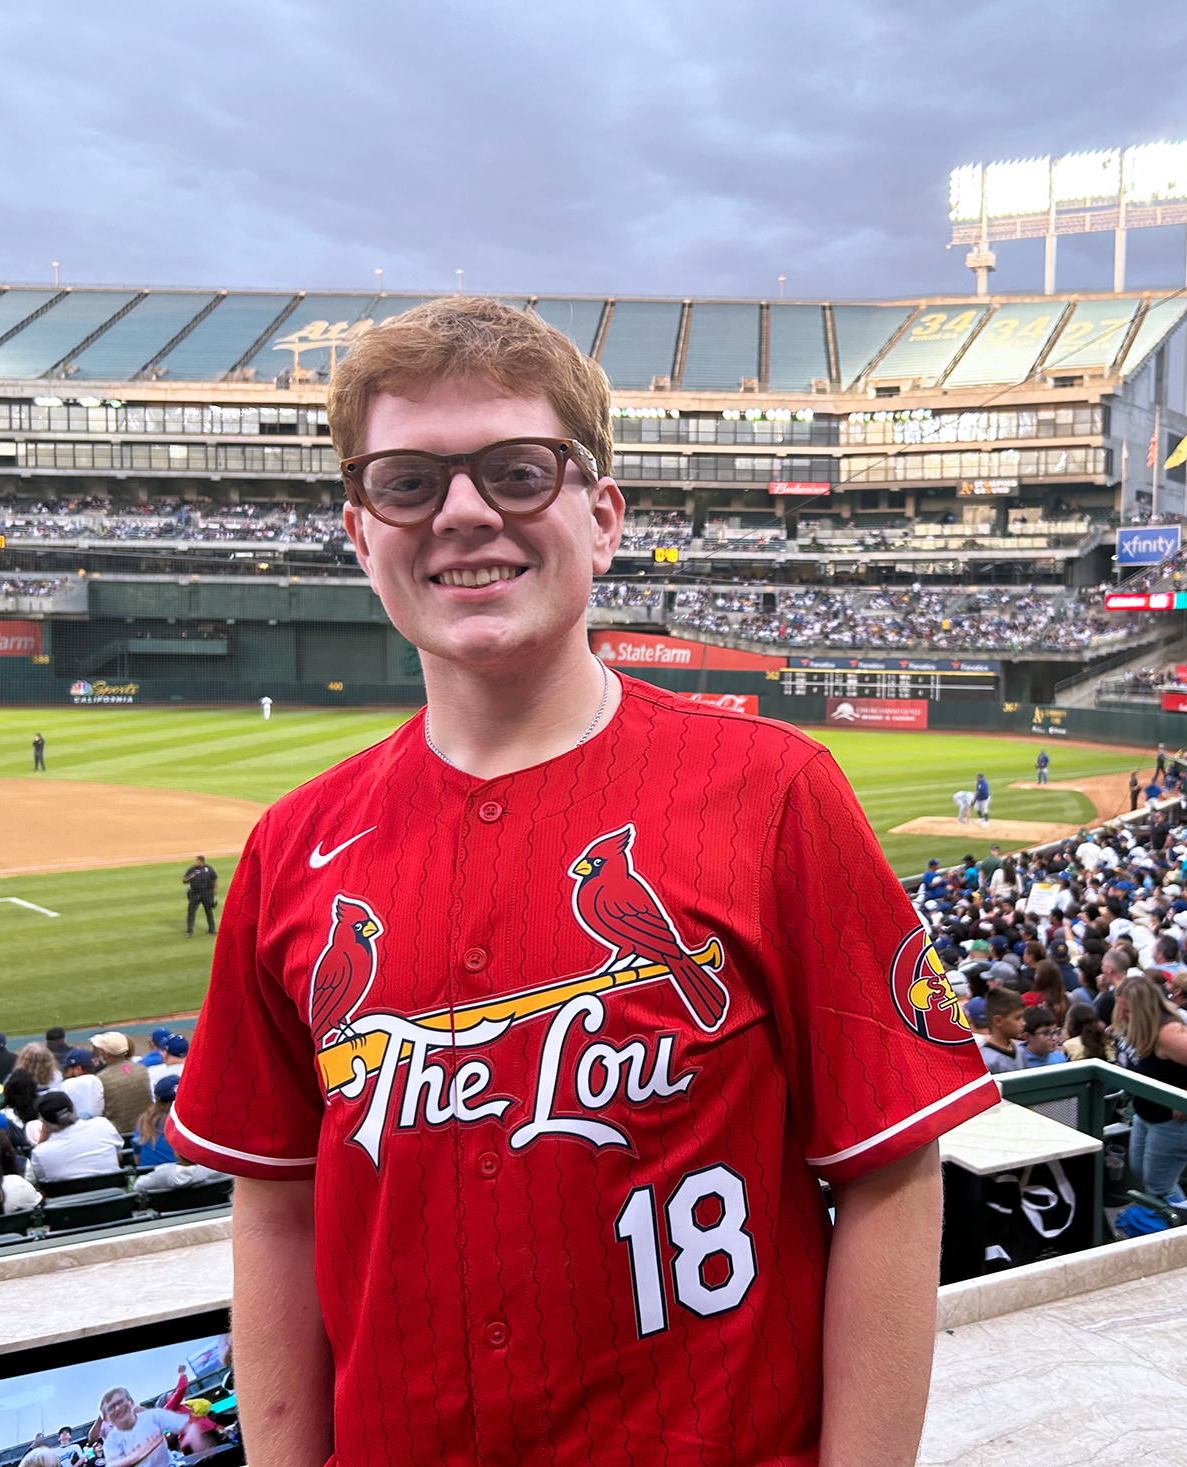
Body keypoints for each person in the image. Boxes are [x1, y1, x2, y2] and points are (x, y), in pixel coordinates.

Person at [170, 297, 998, 1467]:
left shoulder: (774, 794)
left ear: (602, 519)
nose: (463, 514)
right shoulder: (290, 845)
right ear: (362, 537)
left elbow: (890, 1173)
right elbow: (279, 1206)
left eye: (517, 471)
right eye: (408, 483)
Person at [1113, 974, 1187, 1226]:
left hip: (1176, 1121)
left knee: (1160, 1185)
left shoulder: (1168, 1034)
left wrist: (1185, 1102)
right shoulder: (1137, 1028)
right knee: (1139, 1170)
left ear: (1143, 1009)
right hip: (1147, 1113)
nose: (1123, 1015)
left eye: (1127, 1010)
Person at [27, 1092, 123, 1184]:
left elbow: (41, 1179)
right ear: (74, 1108)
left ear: (43, 1122)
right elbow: (118, 1157)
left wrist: (43, 1138)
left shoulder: (40, 1153)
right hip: (114, 1196)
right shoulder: (103, 1125)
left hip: (68, 1200)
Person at [95, 1387, 188, 1467]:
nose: (118, 1408)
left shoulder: (152, 1416)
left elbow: (185, 1424)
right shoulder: (111, 1441)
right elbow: (112, 1464)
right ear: (106, 1419)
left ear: (131, 1403)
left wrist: (191, 1432)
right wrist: (136, 1456)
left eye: (121, 1402)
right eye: (111, 1408)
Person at [91, 1032, 155, 1136]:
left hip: (119, 1136)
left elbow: (95, 1114)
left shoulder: (99, 1079)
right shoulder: (142, 1069)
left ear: (106, 1054)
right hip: (146, 1131)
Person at [978, 986, 1032, 1073]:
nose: (1024, 1023)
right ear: (998, 1021)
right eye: (1017, 1018)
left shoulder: (1020, 1051)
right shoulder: (986, 1060)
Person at [135, 1075, 180, 1167]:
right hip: (190, 1177)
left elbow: (137, 1158)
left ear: (156, 1099)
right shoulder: (193, 1121)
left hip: (151, 1176)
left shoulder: (144, 1121)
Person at [60, 1049, 105, 1118]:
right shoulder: (99, 1080)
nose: (66, 1074)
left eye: (67, 1070)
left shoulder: (67, 1084)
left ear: (78, 1069)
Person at [183, 855, 219, 937]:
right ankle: (189, 931)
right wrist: (190, 877)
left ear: (202, 862)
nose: (196, 863)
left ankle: (212, 929)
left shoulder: (208, 869)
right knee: (191, 912)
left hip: (206, 893)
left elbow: (215, 878)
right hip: (195, 894)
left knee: (209, 911)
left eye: (197, 861)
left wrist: (215, 889)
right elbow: (184, 880)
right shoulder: (192, 870)